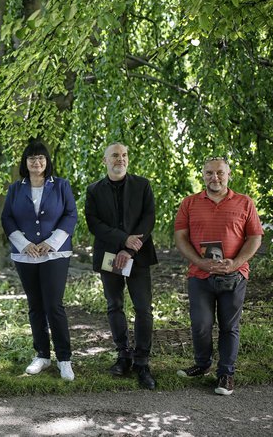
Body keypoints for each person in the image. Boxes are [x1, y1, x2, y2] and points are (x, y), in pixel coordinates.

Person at [174, 156, 263, 396]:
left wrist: (236, 262)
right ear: (202, 175)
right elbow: (181, 237)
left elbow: (255, 237)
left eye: (220, 173)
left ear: (228, 174)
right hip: (199, 275)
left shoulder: (245, 203)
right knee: (201, 324)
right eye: (209, 173)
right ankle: (202, 364)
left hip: (234, 275)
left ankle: (226, 374)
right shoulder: (189, 203)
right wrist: (199, 261)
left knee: (229, 326)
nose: (215, 177)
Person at [84, 142, 158, 390]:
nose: (121, 159)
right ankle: (123, 355)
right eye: (115, 155)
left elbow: (148, 219)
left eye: (124, 155)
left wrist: (129, 248)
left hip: (137, 255)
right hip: (108, 256)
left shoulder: (142, 185)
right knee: (114, 305)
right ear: (105, 160)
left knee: (143, 308)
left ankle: (142, 361)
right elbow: (94, 223)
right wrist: (121, 240)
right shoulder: (94, 190)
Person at [1, 141, 77, 380]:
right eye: (32, 158)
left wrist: (51, 243)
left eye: (41, 158)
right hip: (26, 255)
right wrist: (25, 245)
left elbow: (70, 214)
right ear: (25, 163)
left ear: (47, 161)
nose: (37, 162)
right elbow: (7, 219)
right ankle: (42, 355)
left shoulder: (61, 185)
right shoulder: (15, 188)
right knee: (35, 306)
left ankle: (64, 358)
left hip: (55, 254)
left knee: (54, 306)